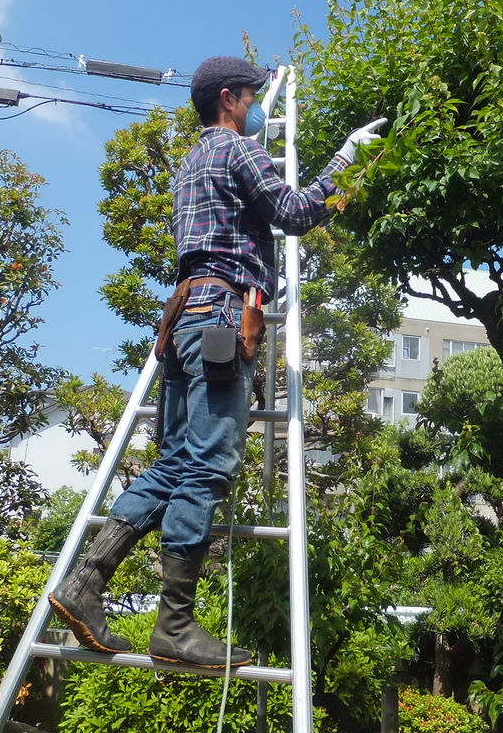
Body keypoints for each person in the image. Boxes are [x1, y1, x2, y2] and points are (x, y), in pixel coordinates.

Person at [49, 55, 385, 669]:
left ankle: (84, 582)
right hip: (223, 319)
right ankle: (174, 625)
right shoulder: (237, 151)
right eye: (253, 96)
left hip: (183, 321)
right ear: (229, 99)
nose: (259, 106)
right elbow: (294, 214)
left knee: (177, 461)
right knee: (206, 467)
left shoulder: (191, 161)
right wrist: (347, 159)